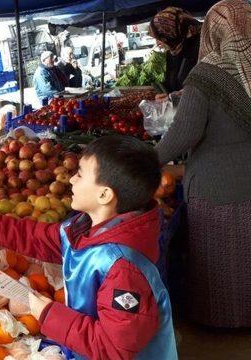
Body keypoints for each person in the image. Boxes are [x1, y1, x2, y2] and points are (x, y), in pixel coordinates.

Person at [0, 135, 177, 359]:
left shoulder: (123, 268)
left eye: (79, 174)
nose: (71, 180)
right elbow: (35, 237)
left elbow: (113, 349)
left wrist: (49, 316)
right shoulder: (83, 228)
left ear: (104, 194)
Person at [155, 0, 251, 328]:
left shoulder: (208, 73)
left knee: (221, 256)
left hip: (216, 186)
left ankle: (223, 321)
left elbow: (184, 133)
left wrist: (146, 159)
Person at [149, 7, 202, 103]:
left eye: (160, 37)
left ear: (170, 32)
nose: (157, 43)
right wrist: (162, 95)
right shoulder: (173, 51)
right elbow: (171, 82)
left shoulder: (202, 48)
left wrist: (175, 97)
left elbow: (205, 87)